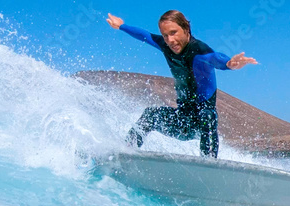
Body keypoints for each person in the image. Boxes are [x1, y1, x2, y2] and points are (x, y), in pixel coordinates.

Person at [106, 10, 257, 158]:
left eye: (173, 33)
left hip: (202, 122)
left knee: (208, 115)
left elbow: (215, 58)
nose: (170, 40)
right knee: (150, 115)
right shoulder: (165, 45)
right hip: (182, 119)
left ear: (186, 29)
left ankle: (209, 165)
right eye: (165, 35)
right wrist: (121, 26)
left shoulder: (199, 50)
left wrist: (229, 63)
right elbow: (145, 35)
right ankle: (125, 154)